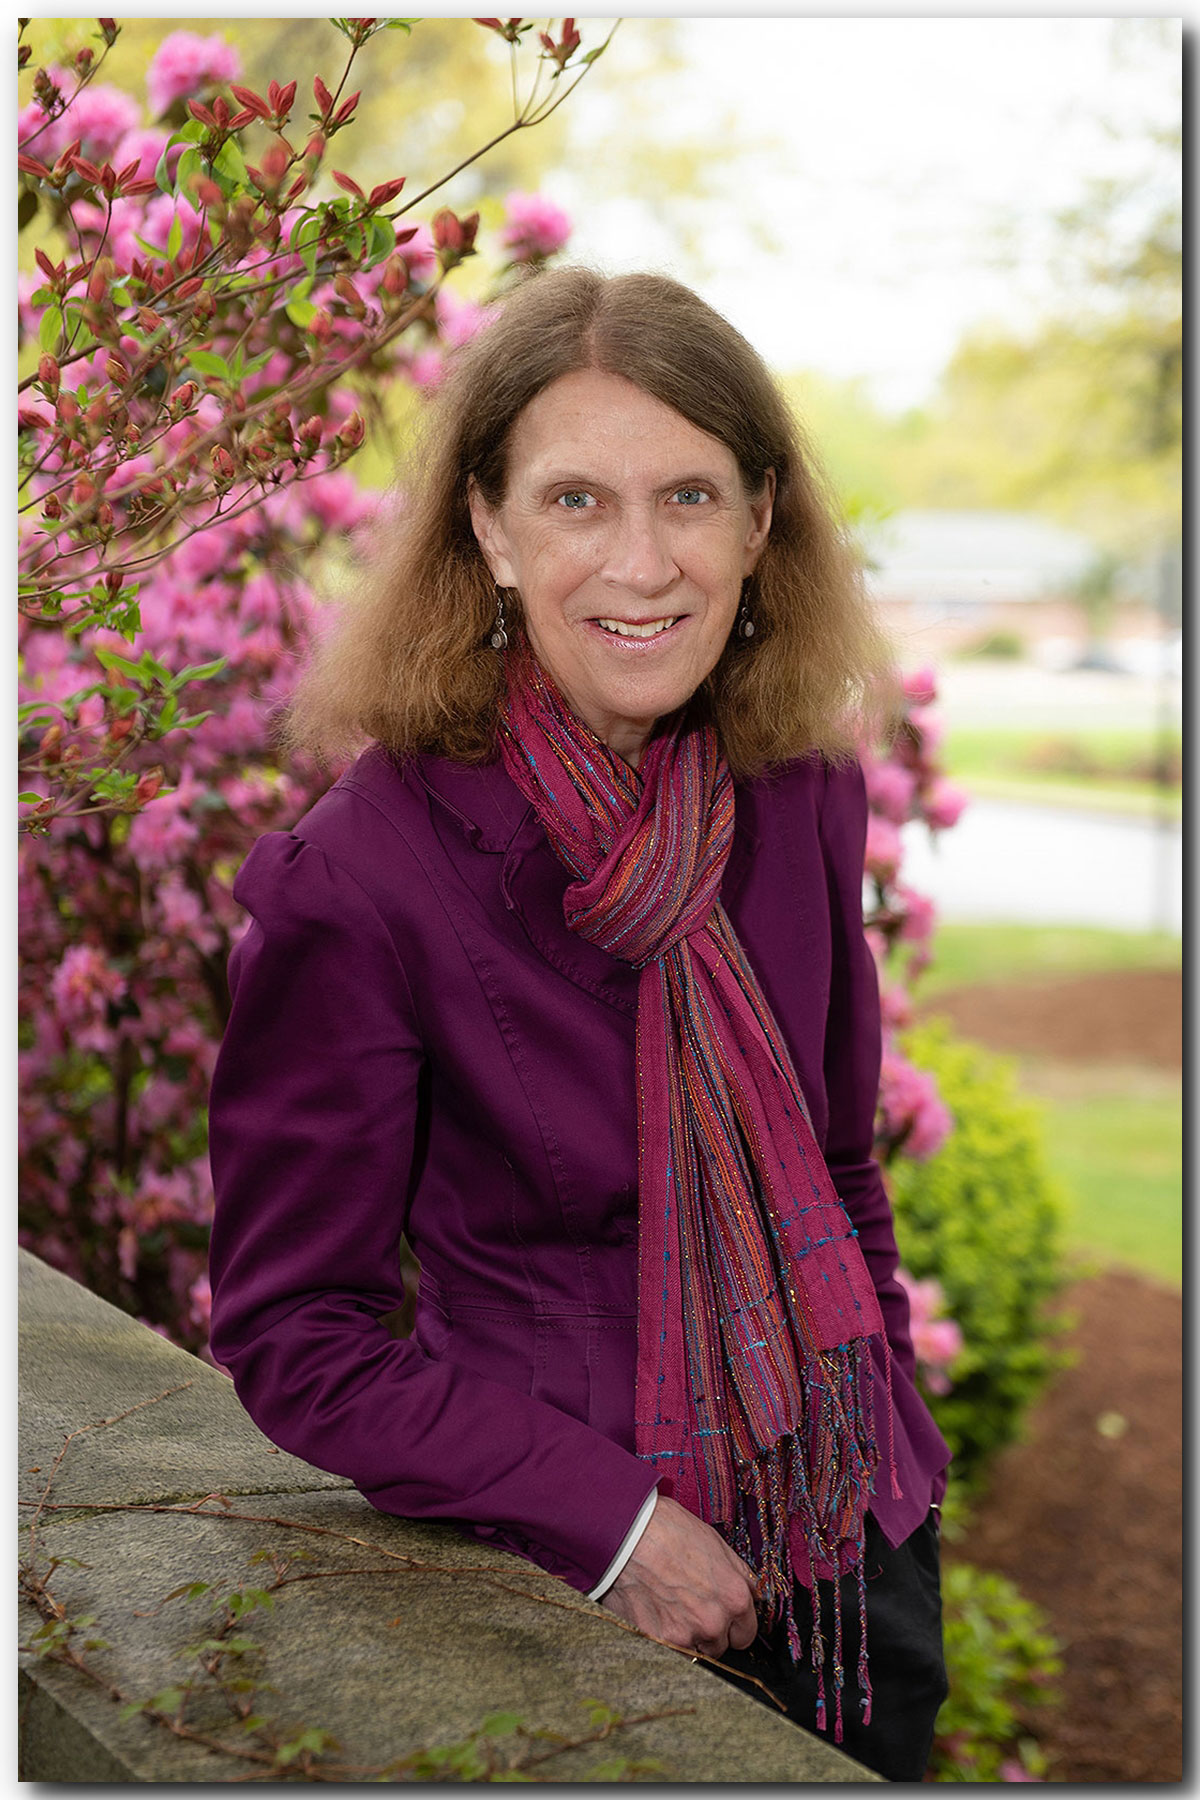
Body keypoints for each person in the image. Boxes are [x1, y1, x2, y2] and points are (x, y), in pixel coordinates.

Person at [207, 268, 951, 1781]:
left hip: (852, 1549)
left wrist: (883, 1431)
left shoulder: (800, 790)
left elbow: (840, 1163)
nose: (640, 562)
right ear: (487, 526)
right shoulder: (362, 877)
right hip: (568, 1584)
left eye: (688, 494)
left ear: (759, 524)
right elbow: (300, 1336)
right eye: (573, 501)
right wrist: (615, 1531)